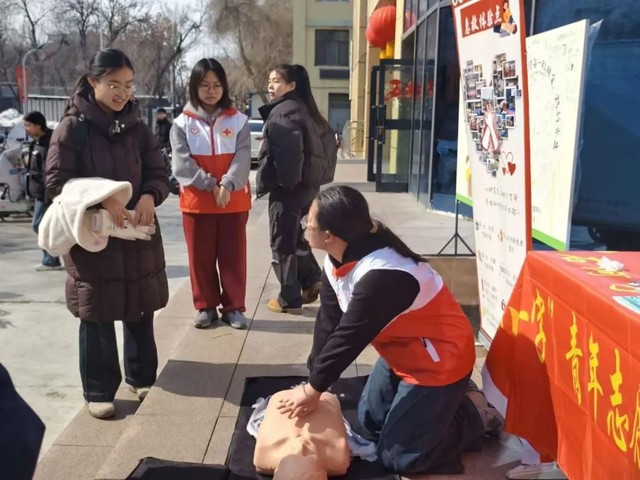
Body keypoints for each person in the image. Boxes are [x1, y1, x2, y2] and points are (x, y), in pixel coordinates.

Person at [276, 186, 503, 475]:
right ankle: (439, 410)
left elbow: (348, 339)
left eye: (308, 222)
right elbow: (328, 323)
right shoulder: (335, 259)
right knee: (370, 422)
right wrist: (312, 379)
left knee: (398, 457)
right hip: (401, 351)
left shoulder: (383, 275)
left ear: (329, 235)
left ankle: (475, 415)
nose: (305, 226)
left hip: (441, 361)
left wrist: (313, 390)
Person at [45, 48, 170, 419]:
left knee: (140, 307)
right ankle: (98, 390)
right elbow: (55, 182)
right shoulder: (73, 129)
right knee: (97, 312)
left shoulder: (139, 128)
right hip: (94, 238)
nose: (122, 93)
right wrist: (101, 199)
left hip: (135, 234)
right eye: (114, 84)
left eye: (128, 85)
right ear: (93, 82)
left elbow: (158, 173)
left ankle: (141, 376)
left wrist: (149, 196)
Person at [170, 58, 251, 330]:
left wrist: (227, 185)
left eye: (216, 85)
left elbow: (243, 158)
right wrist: (211, 185)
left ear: (224, 87)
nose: (211, 91)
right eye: (205, 85)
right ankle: (205, 306)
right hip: (197, 203)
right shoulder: (181, 123)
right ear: (194, 87)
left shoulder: (239, 121)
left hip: (233, 202)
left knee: (233, 258)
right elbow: (182, 164)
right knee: (200, 258)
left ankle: (234, 307)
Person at [256, 64, 335, 314]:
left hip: (289, 190)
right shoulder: (308, 111)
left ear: (291, 86)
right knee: (298, 236)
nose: (271, 86)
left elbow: (290, 154)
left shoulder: (284, 112)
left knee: (282, 240)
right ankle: (311, 280)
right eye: (270, 80)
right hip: (309, 187)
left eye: (276, 81)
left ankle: (288, 298)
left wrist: (286, 182)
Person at [24, 111, 63, 271]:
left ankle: (51, 260)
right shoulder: (36, 142)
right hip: (38, 193)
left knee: (39, 225)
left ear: (38, 126)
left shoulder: (49, 144)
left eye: (28, 125)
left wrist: (49, 196)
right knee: (43, 225)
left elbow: (49, 172)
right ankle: (51, 259)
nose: (26, 129)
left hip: (46, 194)